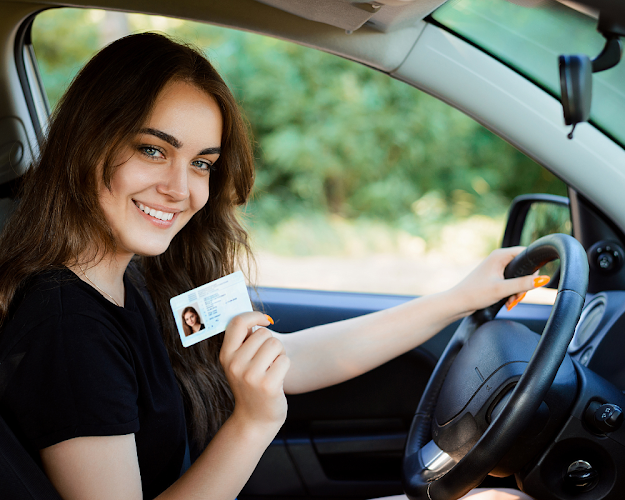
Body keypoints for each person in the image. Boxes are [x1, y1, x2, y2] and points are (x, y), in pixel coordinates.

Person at [0, 33, 541, 500]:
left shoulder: (136, 275)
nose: (181, 189)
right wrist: (254, 422)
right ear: (86, 143)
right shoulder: (67, 329)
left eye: (201, 163)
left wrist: (457, 299)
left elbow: (284, 358)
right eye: (152, 150)